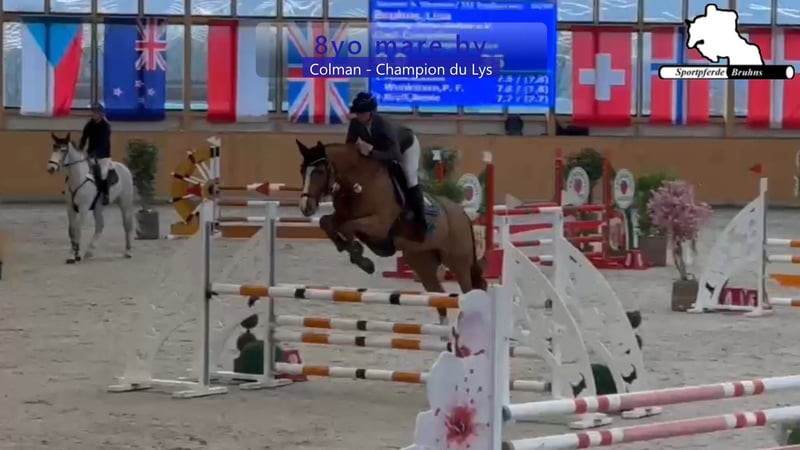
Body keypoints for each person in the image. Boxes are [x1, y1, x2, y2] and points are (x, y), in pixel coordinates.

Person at [345, 92, 427, 233]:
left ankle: (421, 221)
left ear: (370, 112)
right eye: (357, 113)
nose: (359, 116)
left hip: (405, 147)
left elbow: (395, 155)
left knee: (409, 177)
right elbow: (349, 146)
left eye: (362, 113)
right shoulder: (355, 124)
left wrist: (371, 152)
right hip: (382, 150)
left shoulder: (383, 125)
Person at [79, 103, 112, 205]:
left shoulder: (106, 126)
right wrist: (79, 148)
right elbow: (84, 138)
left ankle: (105, 194)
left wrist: (96, 153)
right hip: (91, 155)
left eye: (95, 112)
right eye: (92, 111)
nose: (93, 114)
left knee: (103, 173)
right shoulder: (89, 125)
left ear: (101, 113)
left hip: (103, 156)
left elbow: (104, 143)